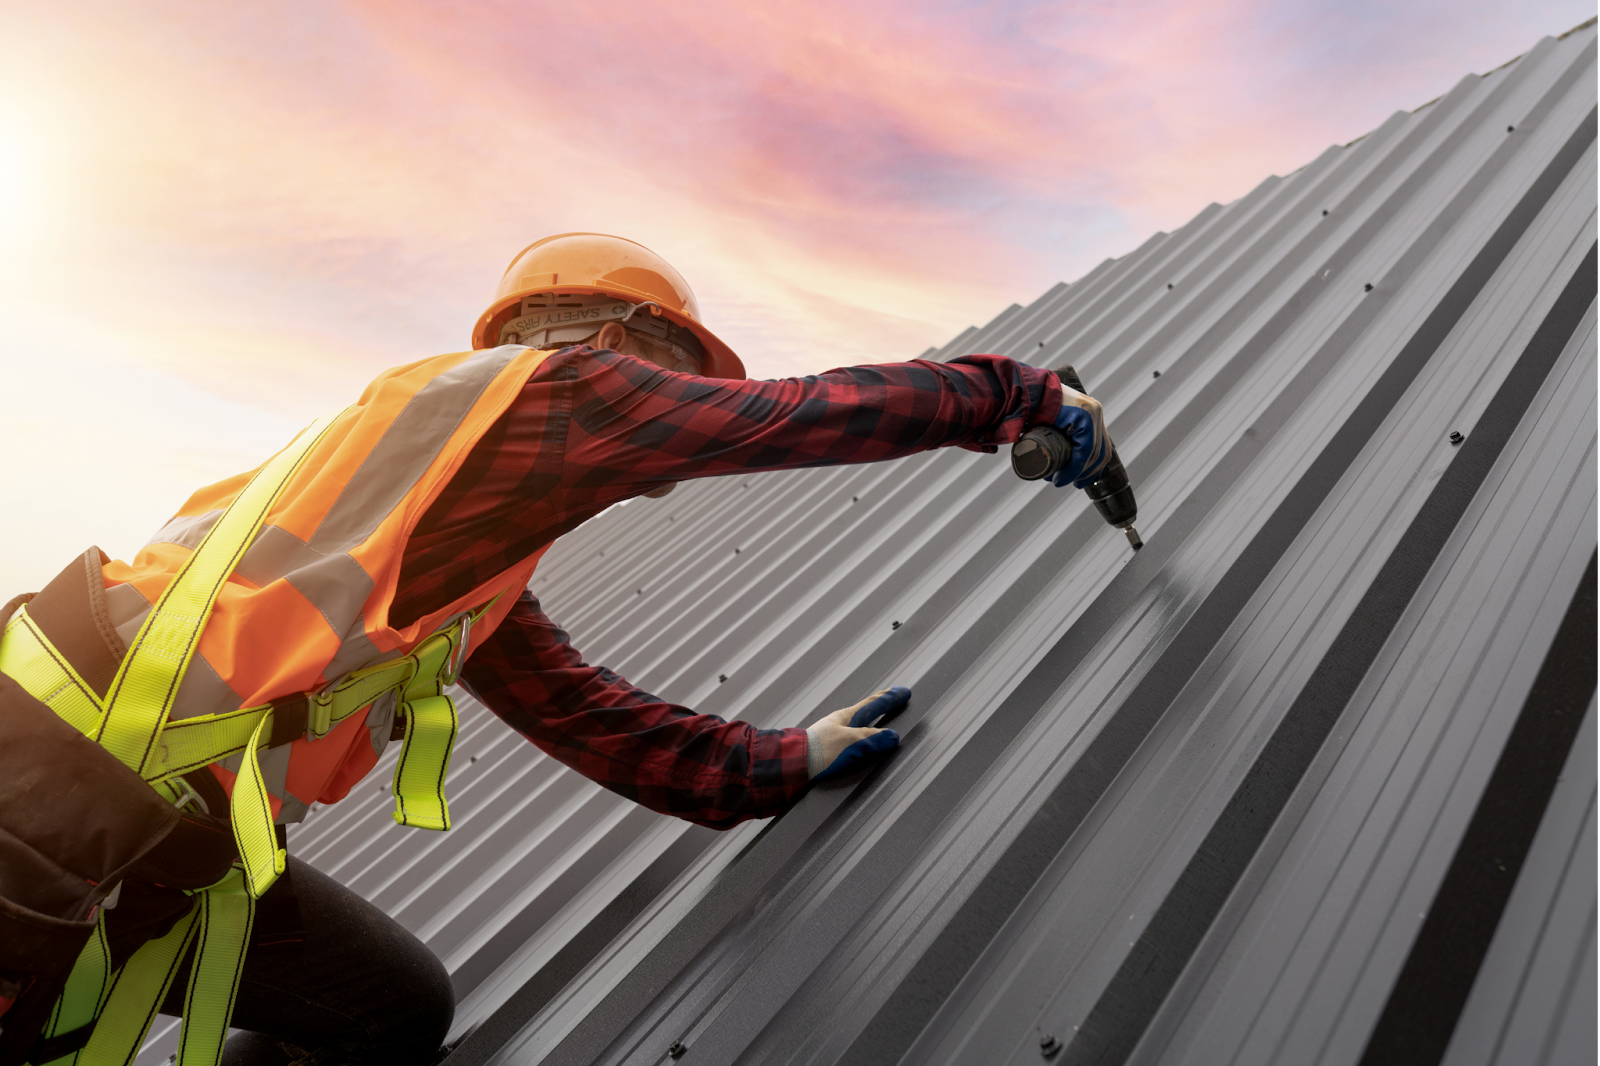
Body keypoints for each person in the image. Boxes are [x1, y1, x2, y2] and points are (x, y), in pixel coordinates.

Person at [0, 233, 1110, 1066]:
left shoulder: (442, 520)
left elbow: (576, 708)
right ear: (619, 339)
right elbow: (785, 416)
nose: (694, 395)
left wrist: (770, 765)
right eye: (685, 365)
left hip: (147, 831)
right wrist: (1014, 398)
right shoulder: (556, 390)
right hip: (46, 801)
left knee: (388, 1011)